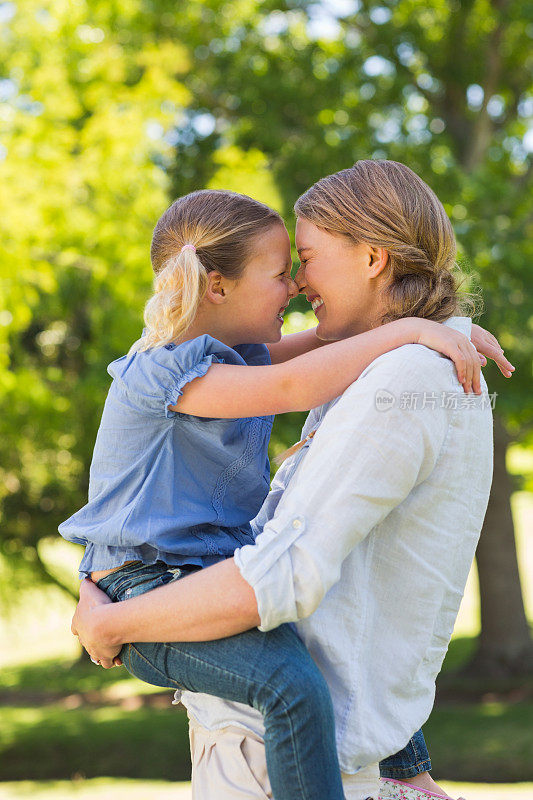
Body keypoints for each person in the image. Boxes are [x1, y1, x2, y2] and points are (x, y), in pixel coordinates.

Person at [71, 163, 513, 800]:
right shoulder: (165, 371)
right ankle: (409, 775)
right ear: (217, 287)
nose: (298, 286)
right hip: (148, 578)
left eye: (303, 261)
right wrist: (419, 329)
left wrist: (443, 330)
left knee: (295, 683)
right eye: (284, 272)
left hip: (195, 582)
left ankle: (409, 774)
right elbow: (292, 382)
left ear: (372, 257)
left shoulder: (261, 360)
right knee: (292, 680)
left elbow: (316, 354)